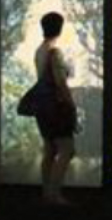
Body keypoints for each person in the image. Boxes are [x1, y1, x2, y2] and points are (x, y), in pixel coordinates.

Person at [31, 11, 78, 206]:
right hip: (56, 108)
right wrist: (71, 105)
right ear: (59, 28)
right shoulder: (55, 52)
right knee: (67, 150)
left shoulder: (39, 51)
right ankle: (55, 193)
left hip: (42, 107)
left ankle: (47, 193)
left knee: (49, 150)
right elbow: (61, 83)